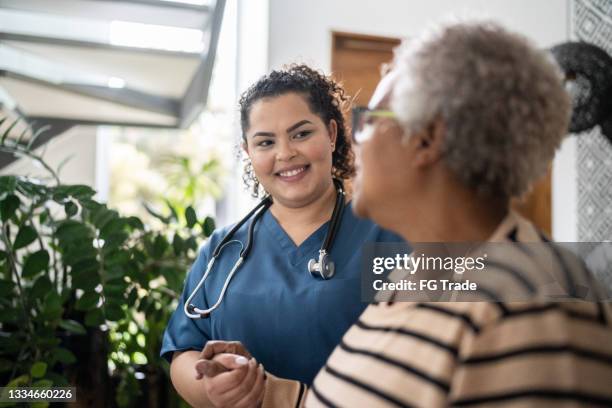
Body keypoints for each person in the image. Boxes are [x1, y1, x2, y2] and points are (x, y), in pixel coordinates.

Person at [199, 21, 612, 407]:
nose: (354, 144)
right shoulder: (415, 277)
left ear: (426, 140)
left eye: (368, 122)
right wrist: (272, 390)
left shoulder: (528, 304)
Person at [160, 64, 403, 407]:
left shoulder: (389, 235)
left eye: (301, 133)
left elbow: (496, 282)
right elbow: (183, 351)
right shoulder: (223, 249)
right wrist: (217, 389)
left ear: (331, 134)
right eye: (265, 142)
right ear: (248, 152)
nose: (285, 153)